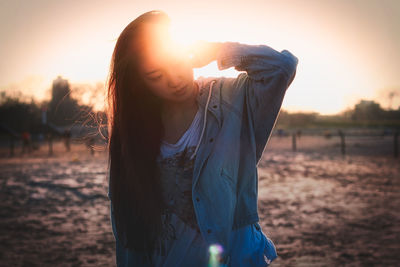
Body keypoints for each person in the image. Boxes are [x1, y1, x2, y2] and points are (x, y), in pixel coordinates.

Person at [106, 10, 298, 267]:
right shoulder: (134, 134)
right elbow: (128, 232)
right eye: (155, 76)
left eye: (175, 62)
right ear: (139, 84)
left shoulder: (232, 102)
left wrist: (218, 51)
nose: (174, 79)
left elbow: (281, 67)